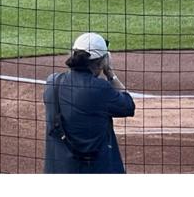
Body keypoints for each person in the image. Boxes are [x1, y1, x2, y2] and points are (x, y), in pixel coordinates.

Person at [43, 32, 136, 174]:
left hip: (57, 169)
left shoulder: (52, 82)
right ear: (102, 61)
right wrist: (110, 73)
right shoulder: (100, 88)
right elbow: (128, 105)